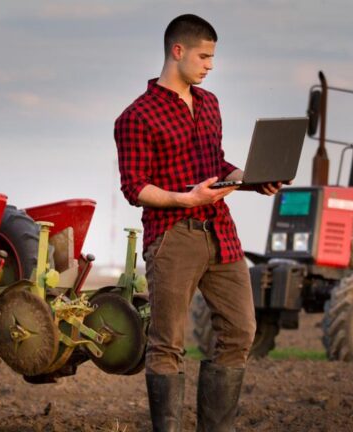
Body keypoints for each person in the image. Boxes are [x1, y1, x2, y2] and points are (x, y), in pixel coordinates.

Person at [113, 14, 282, 432]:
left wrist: (249, 178)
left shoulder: (210, 104)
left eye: (212, 57)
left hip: (220, 231)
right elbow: (134, 187)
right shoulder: (136, 116)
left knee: (241, 331)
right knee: (167, 343)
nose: (210, 65)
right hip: (174, 238)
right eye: (204, 56)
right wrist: (185, 198)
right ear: (178, 51)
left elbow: (215, 165)